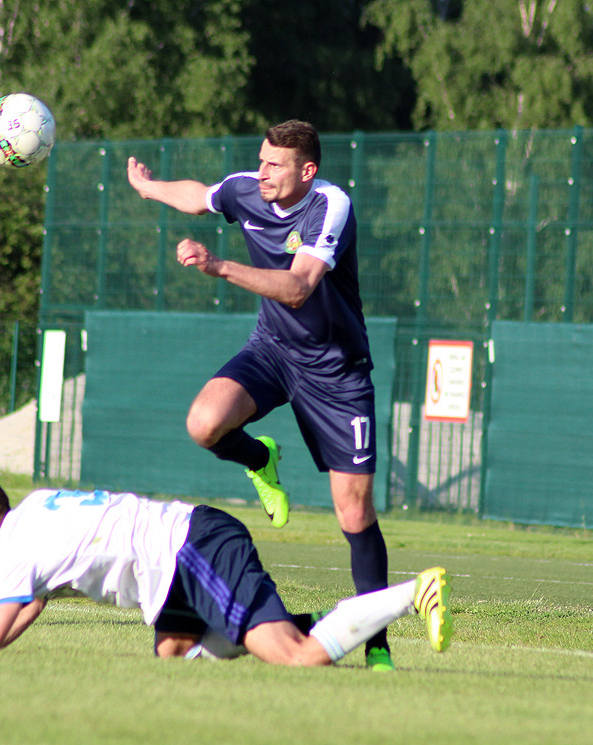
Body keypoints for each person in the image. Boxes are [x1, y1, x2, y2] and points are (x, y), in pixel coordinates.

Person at [126, 120, 397, 669]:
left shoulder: (330, 207)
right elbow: (201, 197)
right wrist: (150, 189)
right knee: (204, 423)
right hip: (273, 351)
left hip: (336, 373)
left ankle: (377, 646)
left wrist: (219, 266)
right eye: (261, 160)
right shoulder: (249, 187)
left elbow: (298, 288)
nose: (263, 171)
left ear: (308, 170)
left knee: (354, 511)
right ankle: (260, 456)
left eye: (275, 164)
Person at [0, 474, 452, 666]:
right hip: (173, 558)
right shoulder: (35, 505)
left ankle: (414, 592)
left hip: (188, 551)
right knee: (173, 653)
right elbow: (30, 605)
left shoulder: (13, 546)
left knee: (295, 657)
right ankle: (325, 621)